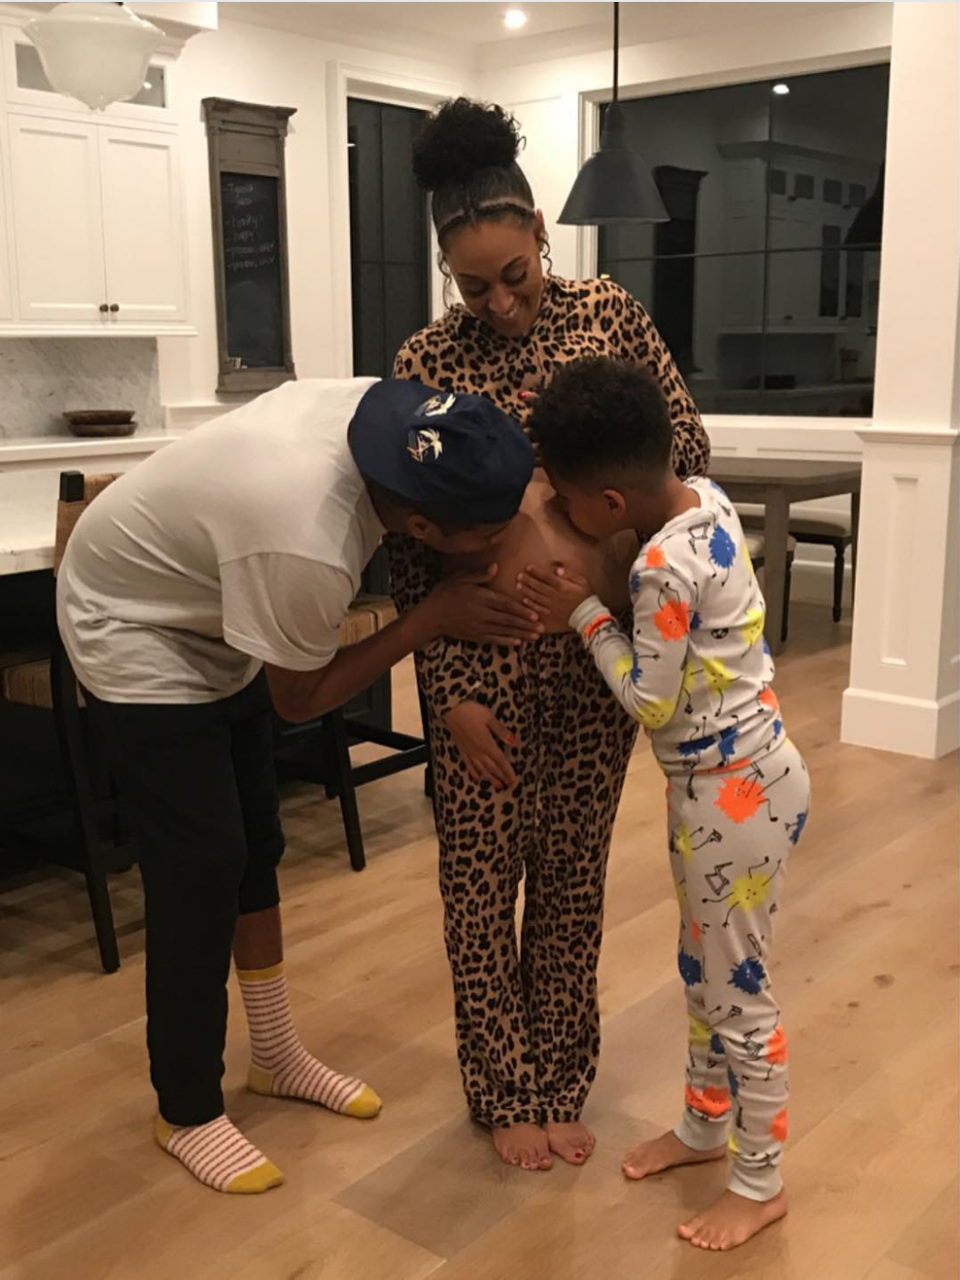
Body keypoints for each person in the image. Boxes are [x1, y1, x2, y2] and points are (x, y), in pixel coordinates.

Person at [56, 377, 535, 1194]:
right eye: (489, 534)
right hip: (129, 622)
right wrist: (429, 620)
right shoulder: (305, 540)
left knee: (256, 838)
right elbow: (301, 699)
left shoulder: (391, 414)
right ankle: (186, 1108)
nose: (503, 543)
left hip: (213, 602)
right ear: (423, 529)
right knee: (200, 868)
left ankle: (274, 1054)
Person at [387, 97, 712, 1172]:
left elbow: (686, 450)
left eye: (515, 275)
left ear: (540, 232)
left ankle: (562, 1078)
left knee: (573, 885)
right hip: (478, 670)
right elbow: (405, 546)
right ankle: (502, 1090)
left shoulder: (609, 315)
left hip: (595, 659)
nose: (499, 304)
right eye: (472, 286)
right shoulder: (425, 359)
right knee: (480, 891)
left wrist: (568, 482)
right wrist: (446, 697)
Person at [518, 357, 810, 1251]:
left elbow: (650, 701)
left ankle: (759, 1183)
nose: (562, 513)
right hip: (754, 780)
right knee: (704, 969)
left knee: (739, 993)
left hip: (728, 801)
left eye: (566, 500)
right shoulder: (708, 499)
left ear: (609, 503)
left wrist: (584, 615)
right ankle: (703, 1125)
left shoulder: (656, 570)